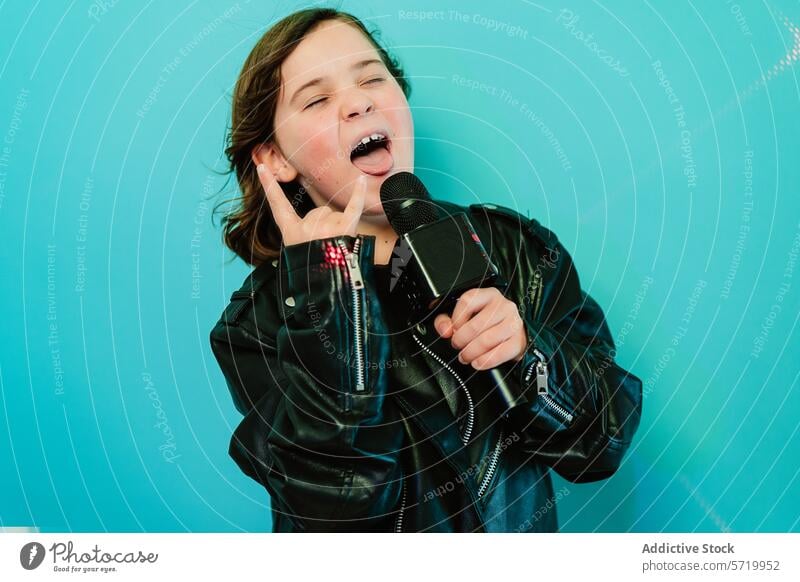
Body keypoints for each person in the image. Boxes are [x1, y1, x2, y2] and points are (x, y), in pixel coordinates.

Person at [209, 7, 642, 532]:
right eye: (318, 99)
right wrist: (328, 293)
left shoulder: (514, 248)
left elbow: (604, 443)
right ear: (276, 158)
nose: (359, 100)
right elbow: (334, 514)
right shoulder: (259, 323)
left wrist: (528, 356)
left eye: (372, 77)